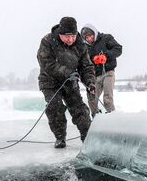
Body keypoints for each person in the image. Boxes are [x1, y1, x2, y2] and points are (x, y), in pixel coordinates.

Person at [37, 17, 96, 148]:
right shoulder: (47, 41)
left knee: (79, 108)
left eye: (73, 36)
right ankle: (60, 137)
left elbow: (86, 66)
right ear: (60, 34)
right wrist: (67, 72)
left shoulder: (80, 44)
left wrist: (90, 82)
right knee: (55, 107)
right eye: (66, 37)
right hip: (49, 81)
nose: (70, 40)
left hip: (70, 81)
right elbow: (47, 63)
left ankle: (88, 138)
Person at [81, 24, 123, 117]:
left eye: (90, 35)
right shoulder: (85, 47)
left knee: (107, 99)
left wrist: (106, 56)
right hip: (95, 76)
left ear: (94, 32)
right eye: (86, 37)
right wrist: (93, 59)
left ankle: (112, 119)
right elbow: (84, 61)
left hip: (108, 73)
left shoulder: (106, 38)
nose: (89, 39)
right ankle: (97, 118)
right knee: (91, 98)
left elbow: (118, 49)